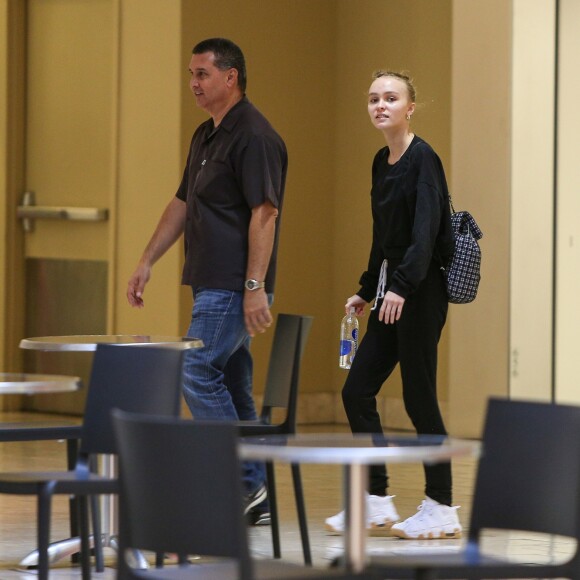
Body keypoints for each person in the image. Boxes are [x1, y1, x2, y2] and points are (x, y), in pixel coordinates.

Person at [127, 38, 287, 526]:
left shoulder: (255, 136)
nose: (193, 83)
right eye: (191, 74)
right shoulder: (205, 134)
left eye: (202, 74)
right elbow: (182, 203)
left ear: (230, 77)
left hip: (233, 284)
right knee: (233, 384)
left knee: (196, 370)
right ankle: (252, 491)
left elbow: (266, 210)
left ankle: (241, 486)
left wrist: (254, 286)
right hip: (208, 282)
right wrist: (147, 259)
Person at [325, 71, 459, 539]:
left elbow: (425, 235)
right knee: (356, 391)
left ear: (410, 108)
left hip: (419, 294)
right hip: (390, 293)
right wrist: (368, 288)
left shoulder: (425, 161)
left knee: (419, 396)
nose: (380, 105)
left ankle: (442, 506)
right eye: (373, 99)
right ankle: (375, 499)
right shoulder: (382, 161)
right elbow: (384, 237)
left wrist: (400, 286)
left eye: (391, 98)